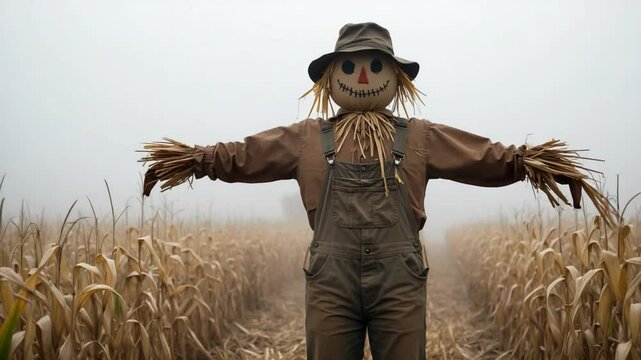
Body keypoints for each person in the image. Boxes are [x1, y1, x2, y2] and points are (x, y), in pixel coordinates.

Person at [142, 22, 582, 360]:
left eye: (375, 65)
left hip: (401, 280)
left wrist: (534, 164)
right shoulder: (307, 138)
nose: (364, 76)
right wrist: (190, 160)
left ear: (396, 76)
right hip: (330, 281)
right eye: (350, 66)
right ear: (331, 77)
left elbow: (485, 157)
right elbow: (243, 156)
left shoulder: (421, 137)